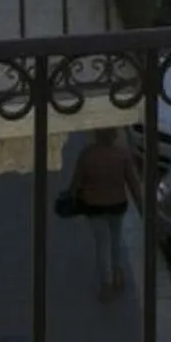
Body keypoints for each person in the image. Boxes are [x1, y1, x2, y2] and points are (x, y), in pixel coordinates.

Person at [66, 127, 138, 300]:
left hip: (95, 206)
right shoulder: (122, 155)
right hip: (117, 204)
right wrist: (142, 206)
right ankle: (118, 273)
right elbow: (133, 183)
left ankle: (106, 284)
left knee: (101, 245)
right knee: (116, 240)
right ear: (114, 136)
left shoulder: (87, 155)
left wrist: (72, 195)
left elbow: (76, 181)